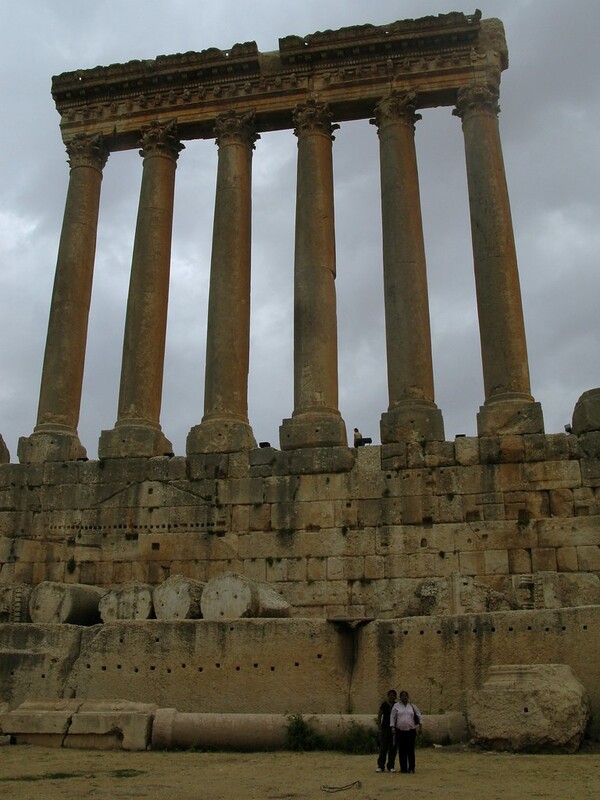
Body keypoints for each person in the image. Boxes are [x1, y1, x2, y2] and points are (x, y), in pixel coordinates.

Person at [390, 689, 422, 774]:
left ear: (408, 697)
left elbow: (419, 715)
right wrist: (392, 727)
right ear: (400, 697)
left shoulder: (412, 706)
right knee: (402, 750)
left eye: (405, 696)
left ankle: (411, 768)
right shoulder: (396, 706)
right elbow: (392, 717)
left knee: (410, 749)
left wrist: (420, 727)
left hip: (411, 730)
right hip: (400, 731)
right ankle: (403, 768)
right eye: (402, 696)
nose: (404, 697)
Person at [375, 689, 397, 773]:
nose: (391, 696)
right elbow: (379, 715)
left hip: (394, 729)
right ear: (388, 696)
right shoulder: (384, 705)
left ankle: (391, 766)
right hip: (385, 728)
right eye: (390, 695)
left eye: (393, 695)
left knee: (393, 748)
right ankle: (380, 766)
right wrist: (379, 727)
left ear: (395, 697)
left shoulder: (396, 705)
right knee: (383, 747)